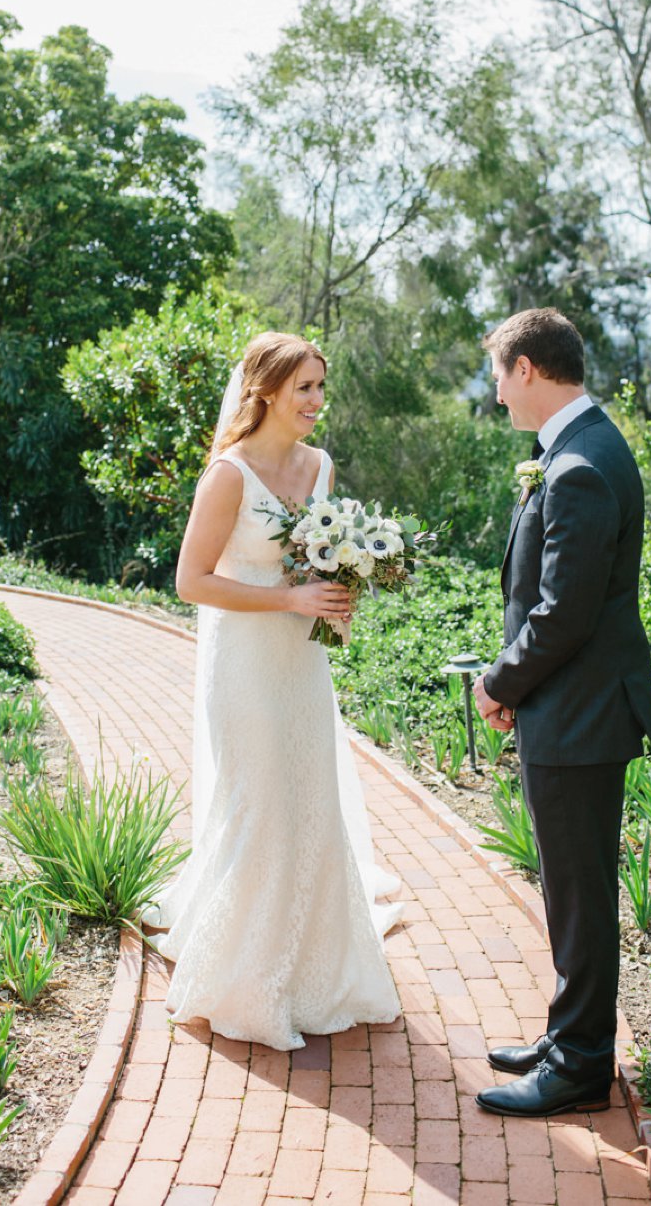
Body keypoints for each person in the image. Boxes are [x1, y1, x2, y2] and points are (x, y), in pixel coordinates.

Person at [141, 331, 402, 1051]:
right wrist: (288, 602)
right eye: (305, 389)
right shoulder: (229, 475)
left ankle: (319, 973)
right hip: (245, 662)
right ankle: (244, 980)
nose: (317, 402)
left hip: (301, 662)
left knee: (310, 799)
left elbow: (318, 559)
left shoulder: (319, 465)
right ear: (265, 393)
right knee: (262, 804)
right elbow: (191, 581)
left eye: (322, 386)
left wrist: (338, 594)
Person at [472, 308, 651, 1118]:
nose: (495, 394)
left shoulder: (580, 465)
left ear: (527, 370)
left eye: (497, 376)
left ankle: (582, 1066)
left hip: (580, 718)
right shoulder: (585, 447)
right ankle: (568, 1034)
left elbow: (561, 615)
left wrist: (498, 683)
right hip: (576, 708)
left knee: (580, 897)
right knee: (568, 891)